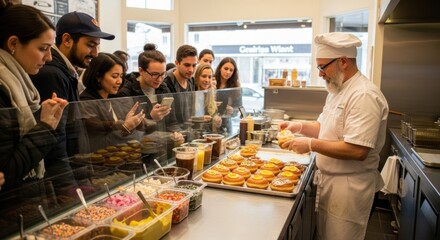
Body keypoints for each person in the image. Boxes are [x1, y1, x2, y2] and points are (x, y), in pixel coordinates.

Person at [279, 32, 389, 240]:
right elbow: (325, 127)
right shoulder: (337, 90)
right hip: (331, 184)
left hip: (350, 189)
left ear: (344, 62)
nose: (320, 74)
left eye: (322, 67)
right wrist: (299, 126)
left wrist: (310, 144)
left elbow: (358, 150)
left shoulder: (363, 95)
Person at [30, 11, 115, 177]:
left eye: (97, 46)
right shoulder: (52, 74)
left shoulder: (66, 71)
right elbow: (56, 141)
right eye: (91, 44)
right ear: (67, 40)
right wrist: (68, 184)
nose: (96, 53)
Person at [0, 2, 68, 191]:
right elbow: (7, 172)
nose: (49, 58)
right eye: (42, 48)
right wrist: (45, 127)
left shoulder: (21, 83)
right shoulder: (3, 88)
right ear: (13, 43)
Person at [79, 53, 146, 152]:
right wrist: (125, 127)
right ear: (98, 76)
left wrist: (134, 124)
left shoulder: (114, 97)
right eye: (115, 76)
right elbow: (96, 144)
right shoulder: (87, 101)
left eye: (121, 76)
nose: (119, 81)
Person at [115, 43, 176, 129]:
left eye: (163, 74)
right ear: (141, 70)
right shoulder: (125, 92)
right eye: (154, 74)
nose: (159, 79)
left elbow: (172, 122)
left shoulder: (163, 88)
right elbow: (125, 130)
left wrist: (176, 133)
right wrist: (150, 117)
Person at [163, 44, 198, 127]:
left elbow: (190, 113)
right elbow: (168, 119)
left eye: (194, 65)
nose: (191, 70)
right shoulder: (166, 82)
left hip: (187, 131)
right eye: (187, 65)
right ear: (177, 63)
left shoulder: (191, 81)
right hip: (173, 135)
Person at [214, 57, 242, 133]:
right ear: (220, 68)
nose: (228, 72)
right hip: (211, 123)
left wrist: (232, 110)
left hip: (227, 124)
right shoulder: (212, 81)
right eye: (226, 68)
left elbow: (238, 108)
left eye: (231, 70)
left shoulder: (235, 86)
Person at [194, 63, 222, 130]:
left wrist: (217, 119)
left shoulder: (211, 93)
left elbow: (213, 114)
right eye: (204, 76)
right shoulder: (192, 92)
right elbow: (186, 119)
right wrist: (199, 119)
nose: (207, 80)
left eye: (209, 77)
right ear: (197, 77)